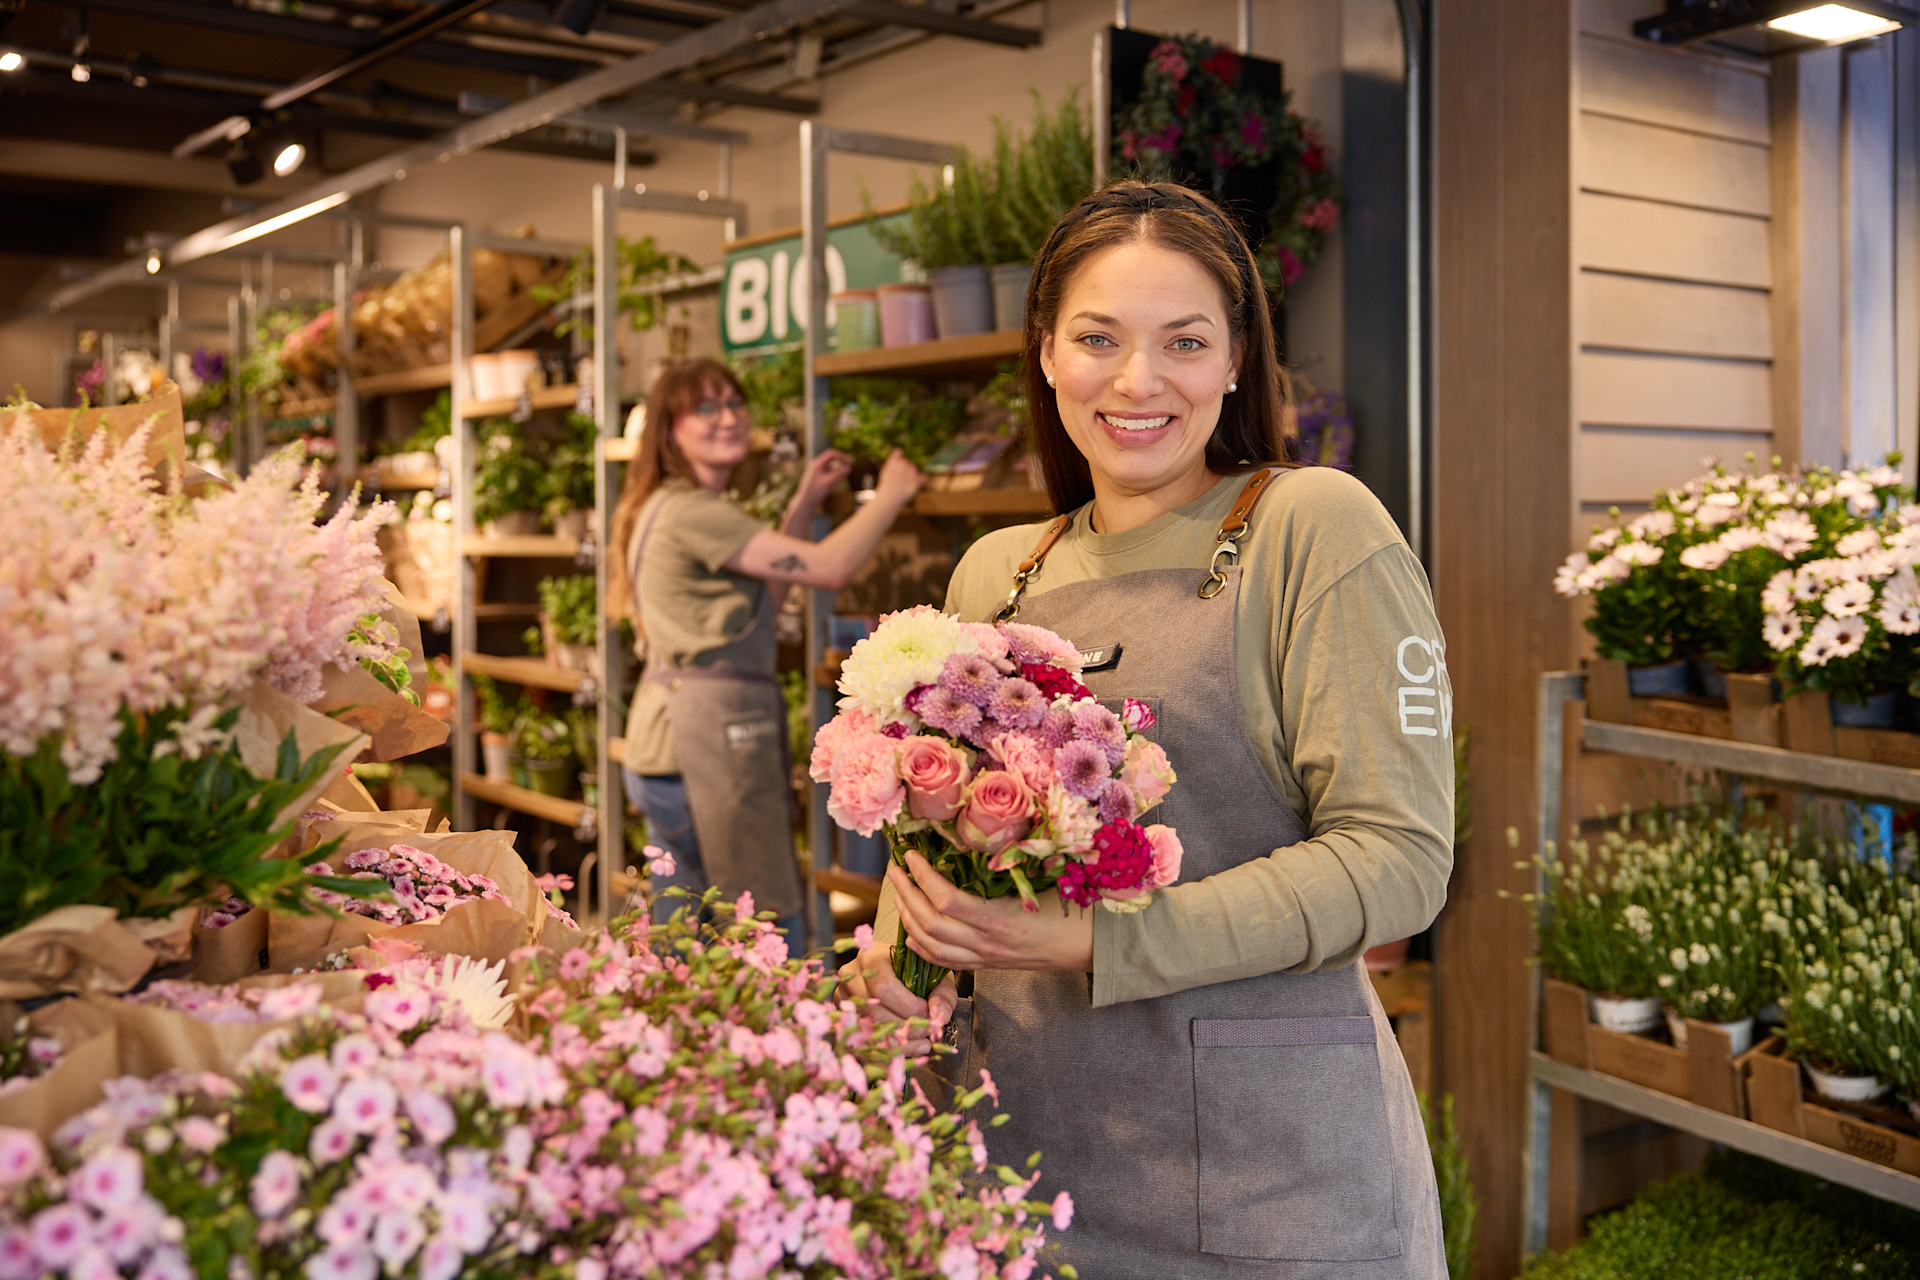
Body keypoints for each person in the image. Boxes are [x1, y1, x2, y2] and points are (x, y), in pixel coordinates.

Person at [840, 181, 1453, 1278]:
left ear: (1235, 360)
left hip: (1273, 1188)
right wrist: (900, 962)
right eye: (1097, 338)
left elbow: (1399, 861)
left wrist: (1102, 940)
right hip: (1024, 1159)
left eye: (1184, 341)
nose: (1138, 380)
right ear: (1045, 354)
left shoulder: (1311, 527)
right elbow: (930, 843)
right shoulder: (999, 570)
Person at [610, 357, 925, 956]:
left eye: (733, 404)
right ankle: (780, 1038)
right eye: (705, 408)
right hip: (708, 739)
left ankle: (685, 1039)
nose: (726, 418)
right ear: (670, 428)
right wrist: (889, 496)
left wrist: (804, 501)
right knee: (757, 918)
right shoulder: (696, 511)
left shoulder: (665, 504)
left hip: (668, 737)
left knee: (685, 919)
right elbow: (828, 568)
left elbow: (760, 599)